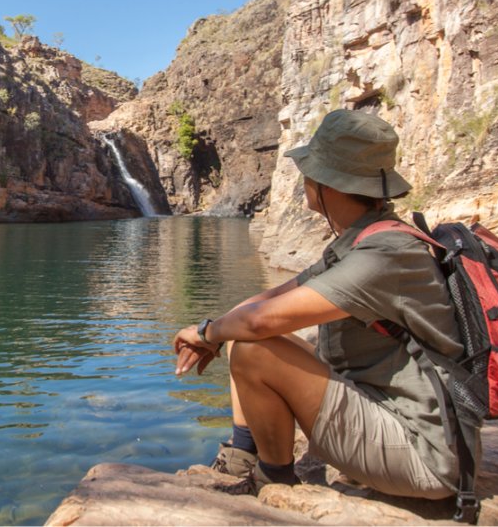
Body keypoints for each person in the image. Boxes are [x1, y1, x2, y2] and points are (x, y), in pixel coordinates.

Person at [173, 108, 471, 500]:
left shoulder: (387, 252)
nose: (304, 181)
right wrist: (218, 330)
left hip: (424, 456)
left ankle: (273, 481)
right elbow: (264, 303)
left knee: (251, 345)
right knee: (240, 330)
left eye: (309, 173)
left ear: (327, 184)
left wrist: (205, 332)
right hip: (386, 415)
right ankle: (242, 455)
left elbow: (260, 325)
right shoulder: (365, 238)